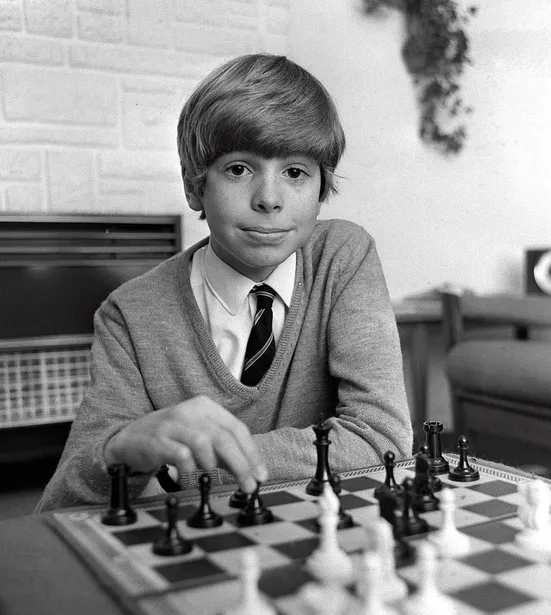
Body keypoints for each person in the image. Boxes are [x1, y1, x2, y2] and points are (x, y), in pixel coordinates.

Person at [36, 53, 412, 512]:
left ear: (321, 190)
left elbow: (381, 439)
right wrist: (122, 451)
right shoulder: (130, 313)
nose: (269, 199)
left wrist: (180, 470)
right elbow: (62, 505)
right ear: (194, 186)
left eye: (295, 172)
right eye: (238, 169)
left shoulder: (343, 256)